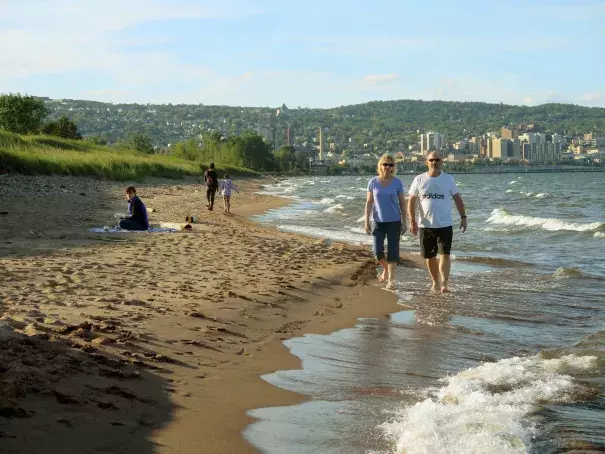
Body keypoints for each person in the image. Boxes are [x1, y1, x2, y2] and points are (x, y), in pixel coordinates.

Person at [408, 151, 467, 294]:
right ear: (427, 162)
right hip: (425, 226)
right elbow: (411, 200)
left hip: (445, 225)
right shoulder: (419, 179)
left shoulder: (448, 179)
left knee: (445, 255)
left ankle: (444, 284)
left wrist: (463, 217)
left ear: (442, 162)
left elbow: (457, 198)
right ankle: (435, 282)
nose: (435, 162)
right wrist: (412, 221)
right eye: (432, 160)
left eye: (437, 160)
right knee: (430, 257)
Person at [364, 154, 407, 290]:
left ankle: (391, 281)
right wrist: (366, 221)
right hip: (378, 221)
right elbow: (369, 202)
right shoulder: (373, 182)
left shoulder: (397, 182)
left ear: (394, 167)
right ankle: (386, 269)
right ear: (380, 165)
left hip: (394, 221)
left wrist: (404, 221)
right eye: (385, 164)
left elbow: (402, 202)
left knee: (393, 252)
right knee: (377, 252)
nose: (388, 167)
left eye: (391, 165)